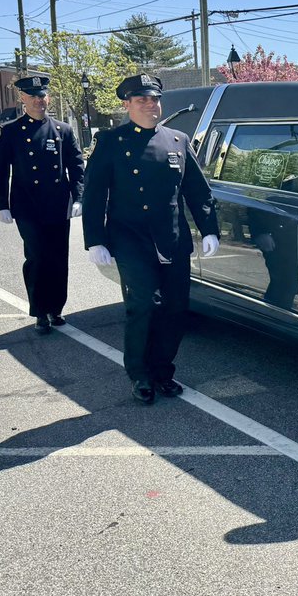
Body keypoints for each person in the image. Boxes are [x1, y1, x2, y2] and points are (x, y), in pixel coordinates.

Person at [80, 74, 220, 405]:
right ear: (127, 105)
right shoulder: (111, 142)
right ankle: (140, 374)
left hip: (171, 239)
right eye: (141, 100)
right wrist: (95, 239)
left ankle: (162, 371)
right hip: (130, 239)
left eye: (154, 99)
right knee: (142, 306)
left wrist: (209, 228)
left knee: (175, 309)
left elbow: (197, 190)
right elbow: (95, 194)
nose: (150, 105)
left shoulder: (177, 140)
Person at [0, 76, 85, 334]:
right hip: (27, 206)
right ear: (22, 99)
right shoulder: (10, 131)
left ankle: (56, 309)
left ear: (48, 98)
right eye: (32, 96)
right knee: (37, 257)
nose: (38, 101)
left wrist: (79, 197)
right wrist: (2, 204)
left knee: (58, 258)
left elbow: (76, 166)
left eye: (42, 96)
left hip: (57, 204)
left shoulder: (63, 130)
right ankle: (40, 311)